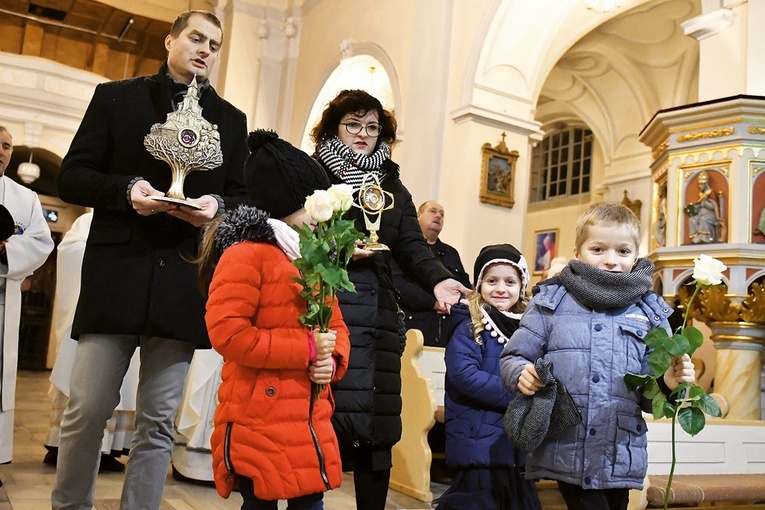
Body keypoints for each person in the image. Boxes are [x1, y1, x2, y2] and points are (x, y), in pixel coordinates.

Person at [51, 10, 249, 509]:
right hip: (116, 275)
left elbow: (241, 199)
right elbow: (72, 177)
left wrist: (216, 208)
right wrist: (128, 190)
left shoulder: (230, 120)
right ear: (170, 40)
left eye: (214, 44)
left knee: (158, 424)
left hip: (180, 283)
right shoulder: (116, 98)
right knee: (86, 412)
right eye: (196, 38)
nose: (205, 49)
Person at [310, 89, 469, 510]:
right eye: (353, 125)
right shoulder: (312, 173)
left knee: (377, 425)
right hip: (326, 305)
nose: (363, 134)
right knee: (317, 423)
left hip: (378, 314)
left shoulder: (392, 185)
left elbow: (413, 246)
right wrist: (340, 250)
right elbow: (296, 235)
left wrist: (438, 281)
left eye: (372, 127)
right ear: (333, 128)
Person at [500, 202, 696, 510]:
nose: (611, 261)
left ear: (636, 255)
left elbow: (650, 397)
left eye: (622, 251)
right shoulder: (551, 301)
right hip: (567, 443)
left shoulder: (650, 312)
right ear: (577, 252)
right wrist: (521, 372)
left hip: (620, 448)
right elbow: (514, 356)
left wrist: (669, 383)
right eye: (598, 249)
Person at [202, 129, 350, 509]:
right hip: (259, 417)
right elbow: (229, 334)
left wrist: (330, 361)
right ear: (287, 204)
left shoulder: (312, 258)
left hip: (308, 415)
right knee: (260, 502)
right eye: (313, 205)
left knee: (309, 502)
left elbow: (335, 326)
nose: (324, 216)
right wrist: (306, 349)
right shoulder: (246, 255)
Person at [436, 244, 542, 510]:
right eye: (492, 281)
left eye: (510, 282)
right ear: (479, 285)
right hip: (477, 436)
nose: (500, 289)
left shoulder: (529, 328)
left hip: (514, 442)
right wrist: (518, 392)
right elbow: (465, 376)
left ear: (522, 286)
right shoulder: (470, 325)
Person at [44, 212, 138, 473]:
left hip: (127, 312)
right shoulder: (88, 220)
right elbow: (70, 251)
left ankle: (109, 450)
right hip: (91, 307)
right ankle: (60, 446)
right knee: (82, 380)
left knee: (122, 380)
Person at [0, 125, 55, 466]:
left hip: (4, 301)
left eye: (6, 145)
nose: (2, 151)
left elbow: (41, 243)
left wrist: (5, 249)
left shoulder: (25, 198)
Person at [392, 200, 471, 347]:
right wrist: (434, 303)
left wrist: (455, 303)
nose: (438, 216)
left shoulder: (451, 253)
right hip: (414, 327)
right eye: (433, 211)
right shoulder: (403, 250)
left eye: (442, 214)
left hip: (447, 331)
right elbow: (399, 284)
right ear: (418, 216)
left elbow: (463, 283)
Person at [687, 170, 723, 244]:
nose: (699, 187)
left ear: (705, 184)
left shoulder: (711, 192)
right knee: (692, 219)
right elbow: (699, 205)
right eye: (699, 184)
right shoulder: (702, 194)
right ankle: (696, 236)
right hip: (701, 214)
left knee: (703, 219)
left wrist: (705, 203)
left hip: (711, 215)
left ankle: (705, 238)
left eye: (701, 184)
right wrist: (693, 208)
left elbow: (713, 206)